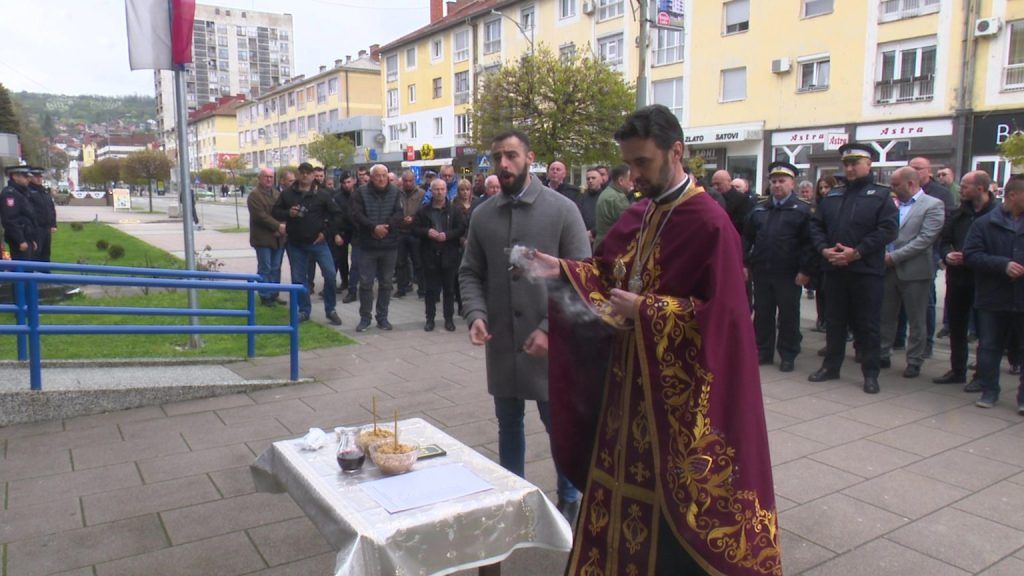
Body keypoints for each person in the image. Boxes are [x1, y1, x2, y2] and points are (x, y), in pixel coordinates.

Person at [530, 105, 780, 575]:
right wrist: (561, 269)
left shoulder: (709, 223)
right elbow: (608, 271)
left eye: (642, 162)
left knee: (674, 516)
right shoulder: (639, 214)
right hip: (626, 396)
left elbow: (725, 319)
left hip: (679, 407)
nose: (634, 175)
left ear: (676, 151)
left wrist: (647, 309)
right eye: (628, 164)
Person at [459, 130, 591, 527]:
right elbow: (470, 273)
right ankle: (513, 494)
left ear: (529, 158)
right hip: (502, 341)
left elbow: (582, 278)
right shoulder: (482, 214)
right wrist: (476, 314)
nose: (504, 164)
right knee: (508, 424)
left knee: (559, 425)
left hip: (552, 347)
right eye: (498, 156)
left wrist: (551, 329)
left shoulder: (563, 210)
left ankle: (569, 496)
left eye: (512, 155)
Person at [808, 142, 898, 394]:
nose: (849, 168)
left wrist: (856, 252)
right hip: (834, 269)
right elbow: (816, 226)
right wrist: (824, 250)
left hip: (865, 271)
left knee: (867, 324)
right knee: (834, 321)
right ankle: (831, 366)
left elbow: (888, 230)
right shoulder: (833, 195)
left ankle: (870, 373)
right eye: (846, 163)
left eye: (854, 163)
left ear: (868, 165)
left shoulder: (880, 196)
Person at [743, 161, 814, 372]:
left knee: (788, 315)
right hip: (763, 270)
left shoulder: (802, 210)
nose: (777, 185)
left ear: (792, 183)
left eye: (782, 181)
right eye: (773, 181)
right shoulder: (759, 208)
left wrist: (805, 270)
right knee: (763, 313)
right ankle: (763, 351)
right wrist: (744, 263)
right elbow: (746, 238)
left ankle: (788, 354)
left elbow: (809, 244)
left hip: (789, 273)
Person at [963, 176, 1024, 411]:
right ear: (1013, 196)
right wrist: (1003, 265)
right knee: (989, 346)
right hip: (992, 296)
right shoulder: (985, 223)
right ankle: (989, 391)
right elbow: (971, 255)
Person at [878, 167, 945, 378]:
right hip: (888, 270)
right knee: (886, 315)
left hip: (915, 271)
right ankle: (882, 352)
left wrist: (893, 257)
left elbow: (925, 240)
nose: (892, 188)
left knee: (917, 318)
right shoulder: (891, 204)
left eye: (896, 184)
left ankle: (914, 359)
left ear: (910, 183)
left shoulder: (933, 205)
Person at [935, 170, 996, 386]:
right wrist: (946, 254)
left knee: (985, 330)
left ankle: (982, 375)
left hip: (985, 281)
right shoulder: (958, 213)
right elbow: (944, 239)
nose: (960, 190)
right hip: (958, 279)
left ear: (980, 188)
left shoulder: (997, 215)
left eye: (965, 186)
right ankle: (957, 370)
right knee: (957, 326)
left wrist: (972, 258)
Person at [271, 163, 344, 326]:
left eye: (308, 173)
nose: (305, 176)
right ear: (298, 175)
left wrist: (326, 233)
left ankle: (331, 309)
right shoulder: (288, 194)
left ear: (313, 175)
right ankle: (304, 310)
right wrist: (288, 213)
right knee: (298, 279)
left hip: (319, 242)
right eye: (302, 173)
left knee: (330, 274)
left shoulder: (322, 194)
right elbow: (275, 212)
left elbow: (337, 215)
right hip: (296, 243)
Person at [351, 164, 404, 332]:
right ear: (371, 177)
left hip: (390, 245)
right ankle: (365, 318)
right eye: (377, 176)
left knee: (386, 283)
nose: (381, 179)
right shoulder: (360, 192)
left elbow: (399, 214)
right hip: (368, 245)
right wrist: (373, 228)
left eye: (384, 175)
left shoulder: (396, 192)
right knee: (366, 283)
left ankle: (383, 317)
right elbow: (356, 215)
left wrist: (385, 227)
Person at [415, 178, 466, 332]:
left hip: (449, 254)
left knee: (449, 289)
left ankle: (449, 319)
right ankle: (429, 319)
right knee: (430, 290)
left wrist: (448, 235)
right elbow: (415, 228)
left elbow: (461, 228)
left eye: (442, 189)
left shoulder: (454, 210)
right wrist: (427, 232)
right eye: (436, 189)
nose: (439, 192)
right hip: (430, 254)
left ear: (446, 190)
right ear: (431, 191)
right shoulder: (424, 210)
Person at [247, 168, 286, 306]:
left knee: (276, 267)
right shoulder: (254, 195)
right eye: (266, 177)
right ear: (260, 178)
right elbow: (260, 216)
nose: (269, 179)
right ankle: (265, 295)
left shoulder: (277, 194)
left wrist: (282, 226)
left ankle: (274, 293)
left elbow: (282, 211)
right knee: (265, 267)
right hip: (263, 238)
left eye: (271, 177)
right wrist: (278, 226)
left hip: (278, 238)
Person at [811, 176, 838, 333]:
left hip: (835, 256)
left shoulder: (837, 205)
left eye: (827, 187)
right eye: (821, 188)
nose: (823, 191)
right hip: (820, 256)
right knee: (820, 292)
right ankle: (822, 320)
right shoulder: (816, 207)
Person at [394, 170, 425, 299]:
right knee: (400, 262)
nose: (408, 183)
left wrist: (413, 218)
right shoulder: (397, 194)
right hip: (401, 231)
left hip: (415, 232)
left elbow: (424, 211)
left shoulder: (421, 194)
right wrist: (401, 219)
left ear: (414, 180)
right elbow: (394, 211)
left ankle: (422, 290)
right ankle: (401, 289)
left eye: (410, 180)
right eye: (405, 181)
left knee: (418, 262)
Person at [1, 165, 39, 261]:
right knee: (21, 270)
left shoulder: (22, 192)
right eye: (25, 176)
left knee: (28, 270)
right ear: (15, 176)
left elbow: (29, 217)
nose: (28, 179)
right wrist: (20, 240)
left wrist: (32, 239)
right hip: (19, 240)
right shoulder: (10, 193)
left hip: (27, 237)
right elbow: (10, 220)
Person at [593, 163, 633, 249]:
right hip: (612, 246)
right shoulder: (618, 198)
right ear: (621, 180)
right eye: (630, 179)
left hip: (600, 244)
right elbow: (629, 226)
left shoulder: (607, 192)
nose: (632, 183)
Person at [26, 167, 56, 263]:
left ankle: (46, 275)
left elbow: (51, 208)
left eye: (40, 177)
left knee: (46, 253)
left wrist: (53, 224)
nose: (39, 179)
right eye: (36, 177)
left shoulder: (44, 191)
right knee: (36, 253)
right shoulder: (28, 191)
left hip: (46, 228)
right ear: (30, 178)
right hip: (36, 228)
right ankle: (36, 275)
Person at [710, 169, 754, 236]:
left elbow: (742, 225)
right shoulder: (711, 198)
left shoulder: (742, 199)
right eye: (713, 184)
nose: (715, 187)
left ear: (729, 182)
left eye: (718, 184)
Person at [577, 167, 603, 242]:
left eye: (593, 178)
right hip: (583, 238)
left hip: (599, 239)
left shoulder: (605, 197)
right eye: (588, 179)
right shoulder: (581, 197)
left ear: (601, 179)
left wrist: (593, 232)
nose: (590, 181)